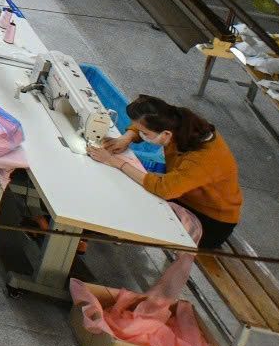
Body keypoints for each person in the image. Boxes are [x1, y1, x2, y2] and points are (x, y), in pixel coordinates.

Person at [94, 97, 242, 260]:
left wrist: (115, 162)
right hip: (183, 194)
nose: (142, 134)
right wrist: (127, 137)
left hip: (210, 221)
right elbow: (144, 125)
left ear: (166, 134)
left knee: (132, 207)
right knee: (131, 191)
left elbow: (164, 189)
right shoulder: (179, 122)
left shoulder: (202, 158)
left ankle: (93, 233)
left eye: (145, 134)